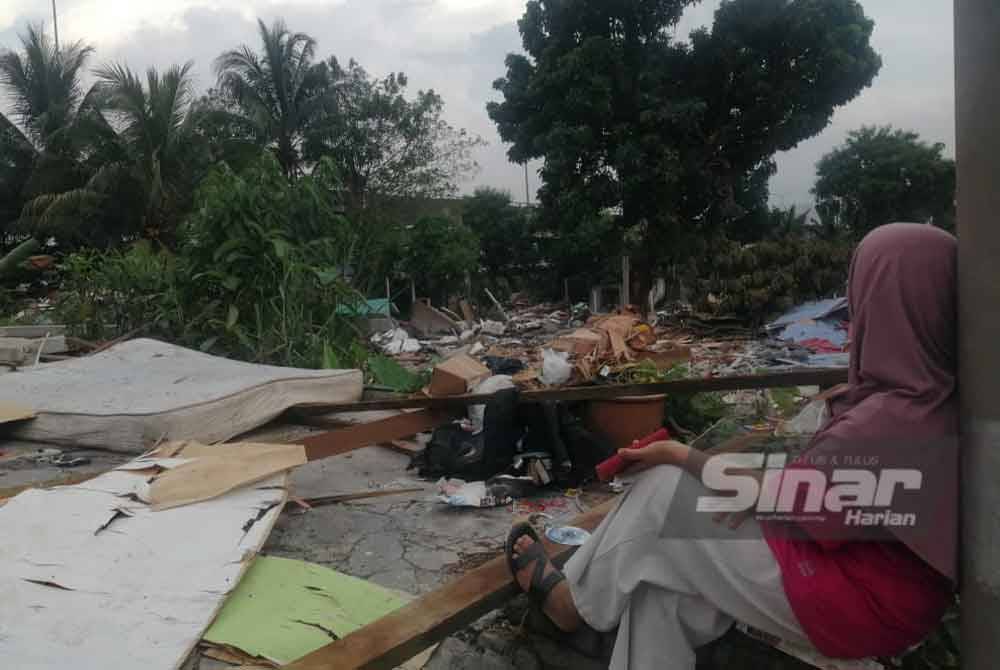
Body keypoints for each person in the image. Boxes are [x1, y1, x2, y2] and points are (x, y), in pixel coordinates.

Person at [506, 223, 957, 670]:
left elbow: (789, 502)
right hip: (883, 589)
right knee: (664, 586)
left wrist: (679, 455)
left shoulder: (892, 416)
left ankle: (573, 603)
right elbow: (824, 498)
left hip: (857, 603)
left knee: (663, 493)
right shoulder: (935, 400)